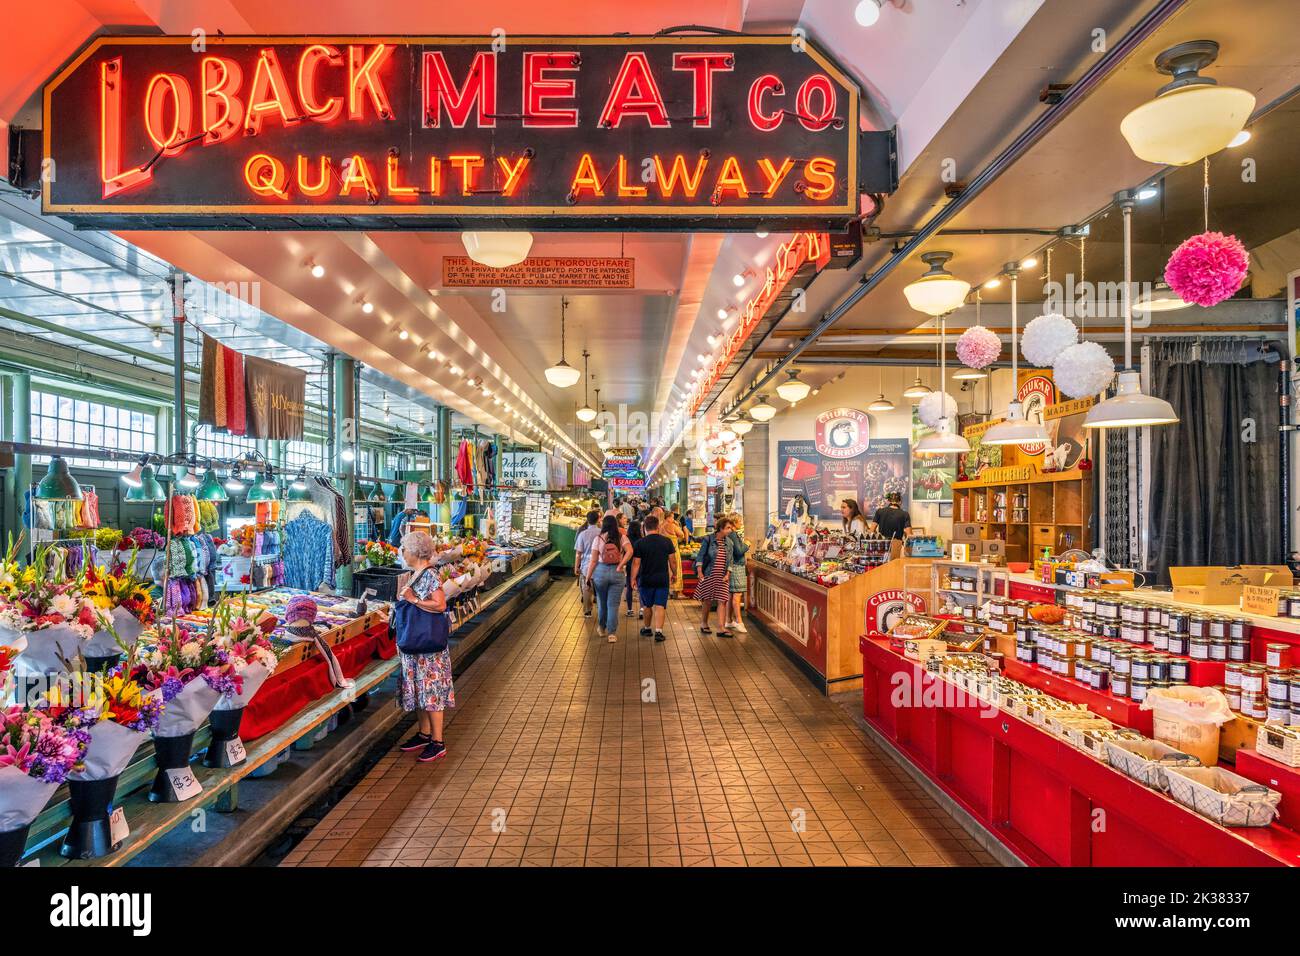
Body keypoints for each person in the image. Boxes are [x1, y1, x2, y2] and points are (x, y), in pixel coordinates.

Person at [394, 531, 455, 764]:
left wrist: (413, 600)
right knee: (421, 691)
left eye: (404, 549)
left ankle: (437, 743)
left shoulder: (429, 574)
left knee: (431, 692)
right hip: (416, 647)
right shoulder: (416, 573)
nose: (403, 553)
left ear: (415, 552)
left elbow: (440, 605)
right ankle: (424, 734)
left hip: (428, 649)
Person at [584, 513, 632, 642]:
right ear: (616, 525)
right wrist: (621, 564)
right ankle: (612, 634)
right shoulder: (622, 537)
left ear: (603, 525)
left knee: (602, 602)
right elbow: (630, 551)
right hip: (617, 573)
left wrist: (588, 577)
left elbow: (593, 561)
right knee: (613, 605)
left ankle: (601, 627)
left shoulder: (598, 539)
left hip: (601, 572)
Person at [631, 514, 677, 642]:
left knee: (647, 605)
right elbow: (672, 561)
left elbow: (636, 563)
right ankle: (658, 632)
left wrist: (632, 578)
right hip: (662, 578)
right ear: (658, 527)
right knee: (660, 605)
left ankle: (647, 628)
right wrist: (675, 573)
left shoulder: (640, 543)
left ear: (644, 528)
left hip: (645, 579)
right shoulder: (667, 541)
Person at [695, 516, 740, 635]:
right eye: (728, 528)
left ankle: (721, 628)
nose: (730, 530)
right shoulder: (708, 539)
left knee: (723, 600)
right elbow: (700, 556)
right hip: (709, 574)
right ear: (720, 528)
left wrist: (728, 573)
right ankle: (704, 623)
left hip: (722, 576)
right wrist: (700, 572)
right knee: (707, 600)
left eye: (731, 528)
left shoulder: (729, 542)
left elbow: (730, 560)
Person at [725, 515, 751, 633]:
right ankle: (739, 622)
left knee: (731, 595)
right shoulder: (733, 535)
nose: (741, 522)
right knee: (737, 595)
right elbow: (739, 551)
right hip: (736, 566)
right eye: (740, 521)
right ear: (735, 522)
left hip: (732, 566)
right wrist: (747, 544)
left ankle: (728, 620)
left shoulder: (730, 534)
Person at [573, 509, 601, 618]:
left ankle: (588, 611)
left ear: (587, 520)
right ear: (598, 519)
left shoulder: (583, 534)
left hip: (586, 566)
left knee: (587, 588)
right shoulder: (602, 533)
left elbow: (578, 553)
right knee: (600, 588)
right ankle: (601, 609)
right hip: (600, 565)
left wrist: (576, 567)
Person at [871, 492, 913, 560]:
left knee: (882, 568)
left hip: (882, 545)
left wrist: (878, 536)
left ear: (888, 501)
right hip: (897, 546)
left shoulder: (880, 511)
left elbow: (872, 531)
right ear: (900, 502)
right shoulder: (905, 514)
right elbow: (910, 535)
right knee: (894, 567)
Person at [624, 518, 643, 617]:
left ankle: (630, 610)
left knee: (629, 588)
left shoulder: (626, 539)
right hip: (640, 565)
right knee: (640, 588)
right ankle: (641, 609)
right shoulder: (642, 540)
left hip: (630, 565)